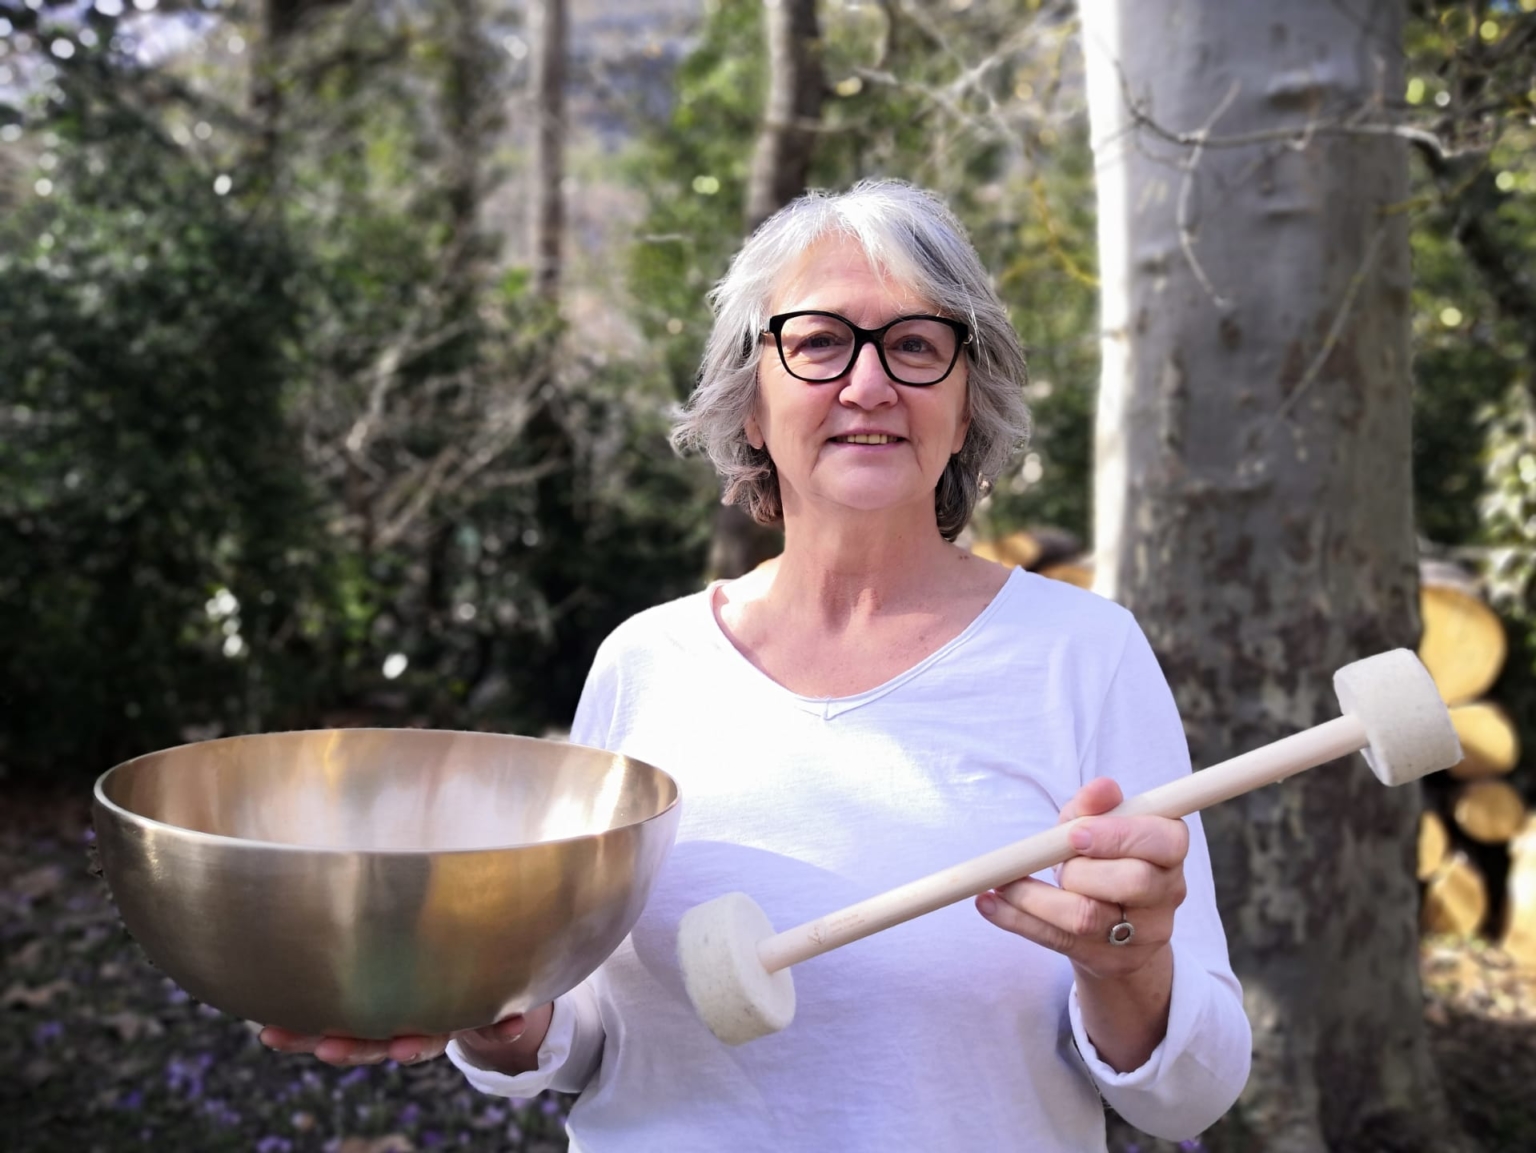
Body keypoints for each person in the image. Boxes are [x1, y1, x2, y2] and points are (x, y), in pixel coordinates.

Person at [262, 179, 1252, 1149]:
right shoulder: (646, 662)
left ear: (966, 404)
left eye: (916, 344)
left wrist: (1128, 969)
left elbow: (1191, 1097)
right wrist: (493, 1011)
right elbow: (585, 1024)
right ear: (750, 400)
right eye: (819, 342)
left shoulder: (1083, 655)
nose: (868, 384)